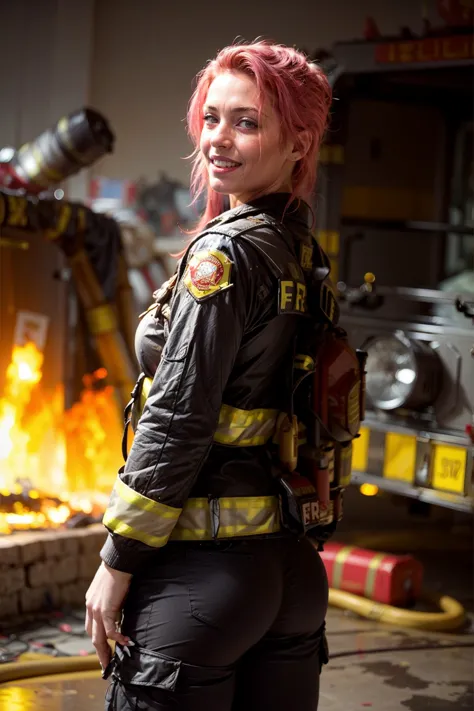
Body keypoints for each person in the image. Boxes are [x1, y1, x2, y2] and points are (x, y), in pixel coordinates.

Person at [86, 39, 334, 711]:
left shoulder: (222, 257)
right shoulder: (300, 254)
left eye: (247, 121)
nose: (218, 138)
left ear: (299, 142)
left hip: (206, 581)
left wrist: (118, 561)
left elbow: (177, 417)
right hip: (290, 573)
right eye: (212, 117)